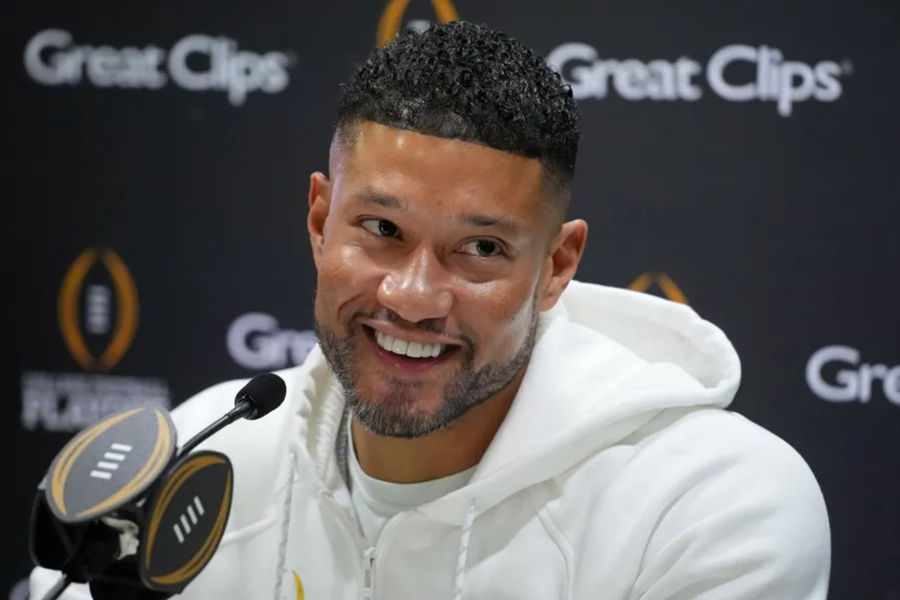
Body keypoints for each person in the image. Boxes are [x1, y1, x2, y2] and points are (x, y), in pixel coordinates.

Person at [31, 20, 830, 600]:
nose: (412, 297)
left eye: (480, 249)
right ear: (319, 222)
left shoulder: (710, 505)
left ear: (556, 265)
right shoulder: (204, 467)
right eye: (381, 230)